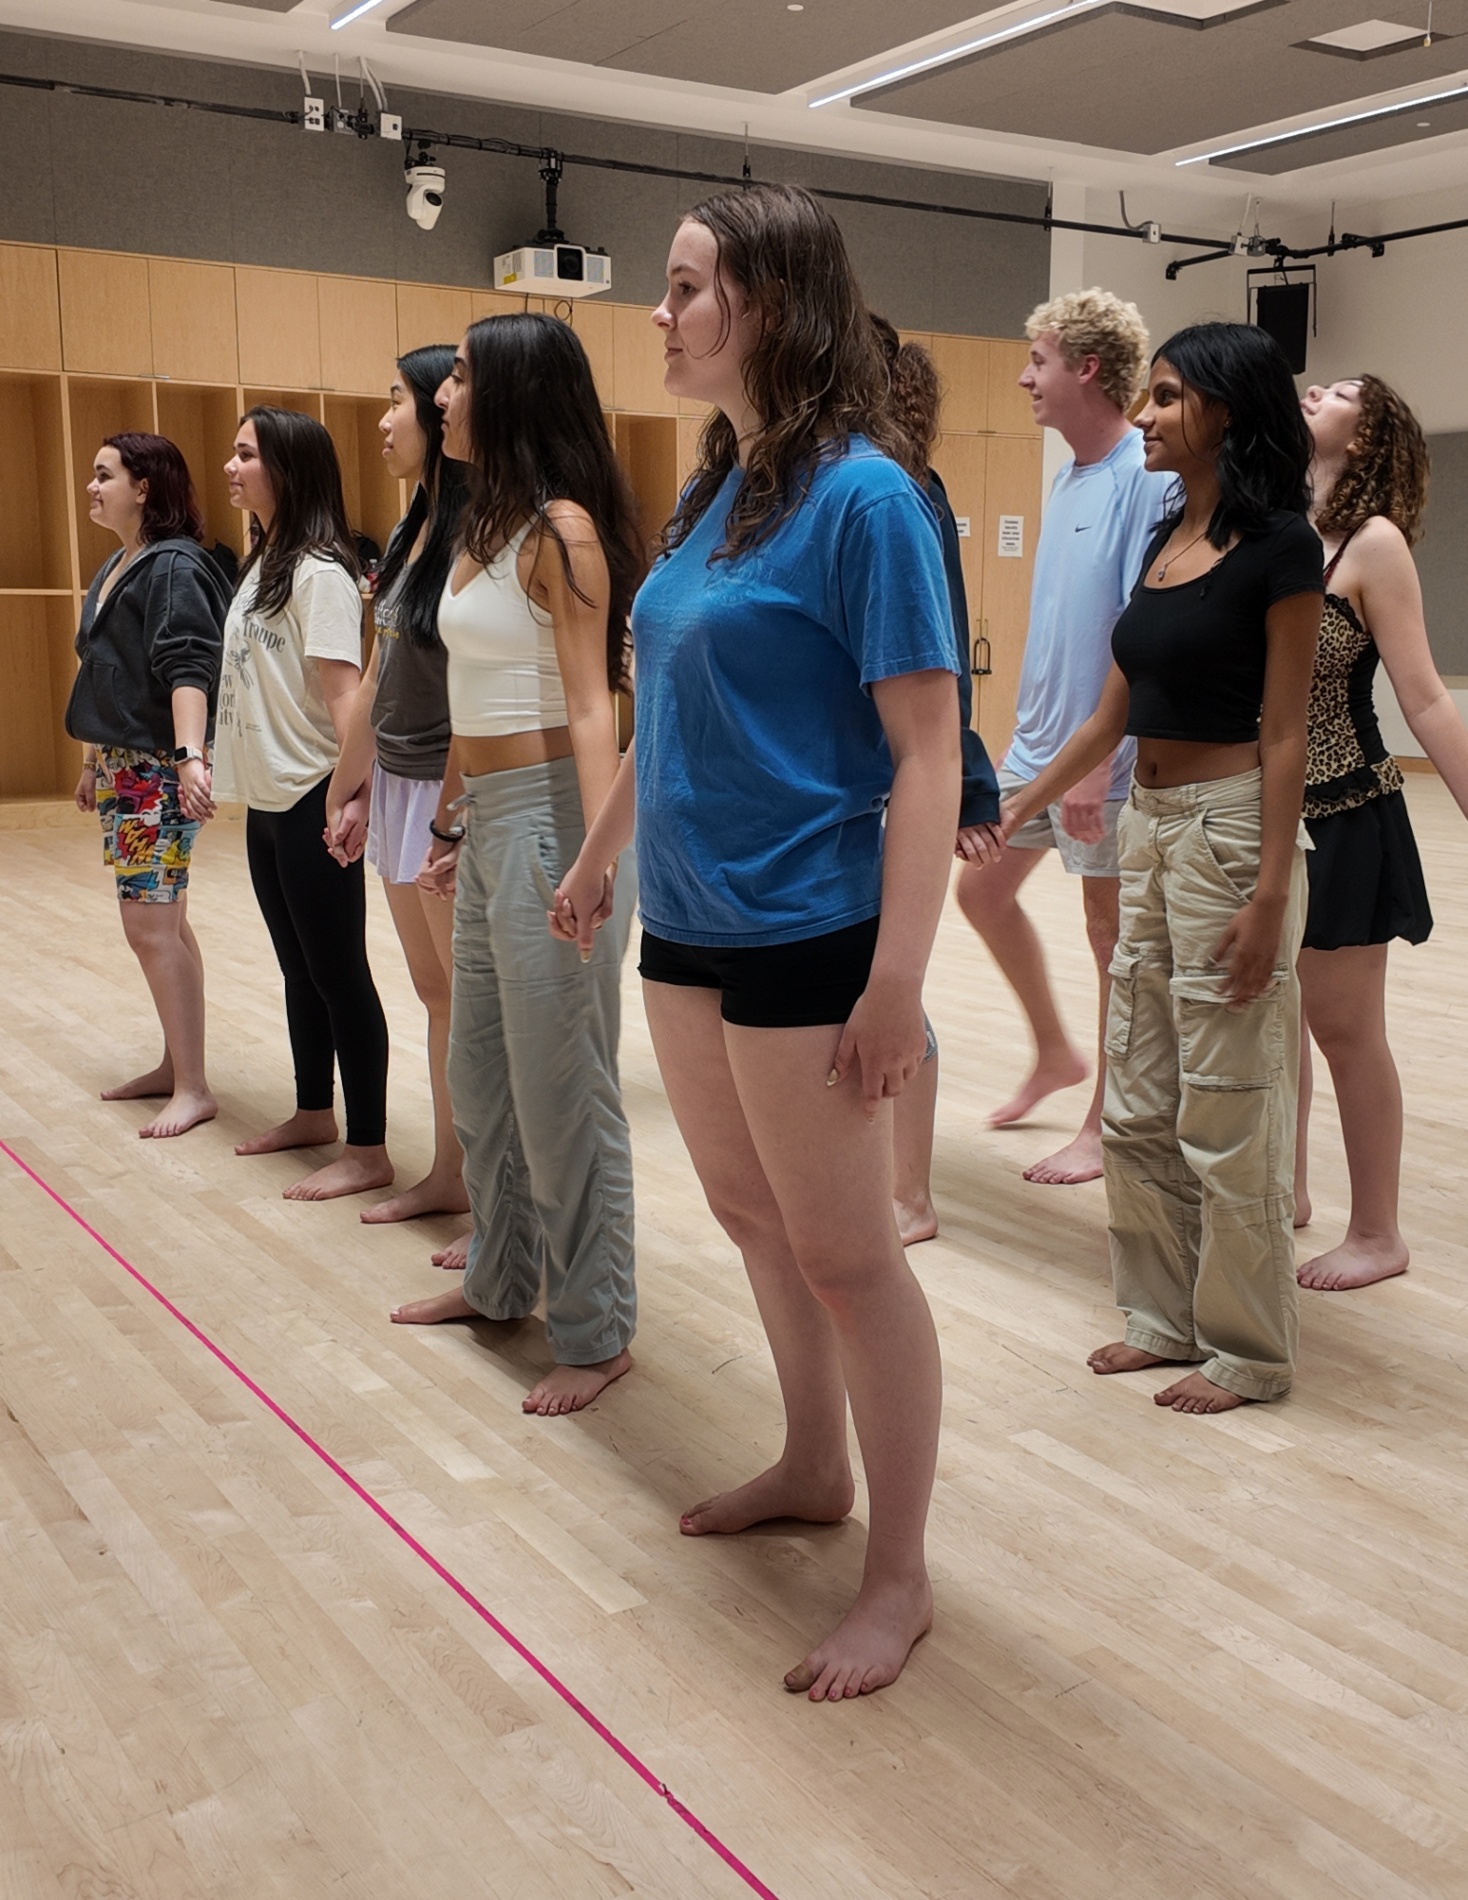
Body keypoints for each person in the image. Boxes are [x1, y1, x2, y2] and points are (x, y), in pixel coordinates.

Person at [554, 184, 959, 1699]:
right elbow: (674, 710)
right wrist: (604, 859)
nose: (658, 315)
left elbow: (926, 749)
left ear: (768, 306)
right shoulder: (725, 488)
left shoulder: (867, 497)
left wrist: (898, 986)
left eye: (682, 288)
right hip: (693, 926)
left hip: (809, 931)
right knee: (748, 1214)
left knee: (852, 1255)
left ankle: (901, 1575)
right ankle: (809, 1461)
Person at [1000, 322, 1322, 1413]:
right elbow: (1109, 715)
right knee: (1137, 1094)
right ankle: (1160, 1316)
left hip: (1232, 832)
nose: (1145, 416)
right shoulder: (1163, 545)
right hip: (1149, 822)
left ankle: (1248, 1349)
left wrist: (1273, 890)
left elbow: (1286, 732)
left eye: (1169, 398)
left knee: (1227, 1104)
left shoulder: (1281, 546)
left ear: (1228, 412)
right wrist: (1017, 808)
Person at [389, 313, 644, 1421]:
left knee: (562, 1089)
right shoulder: (481, 524)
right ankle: (498, 1280)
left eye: (455, 381)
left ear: (510, 391)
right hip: (491, 817)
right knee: (481, 1076)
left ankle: (594, 1328)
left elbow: (593, 704)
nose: (440, 398)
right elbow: (468, 702)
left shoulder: (563, 528)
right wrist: (450, 827)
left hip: (554, 820)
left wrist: (593, 858)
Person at [958, 290, 1170, 1185]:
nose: (1024, 376)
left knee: (1108, 938)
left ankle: (1104, 1124)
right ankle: (1055, 1052)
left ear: (1087, 368)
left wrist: (1105, 767)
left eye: (1038, 360)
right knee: (981, 893)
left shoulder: (1142, 479)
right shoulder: (1071, 475)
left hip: (1102, 763)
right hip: (1036, 751)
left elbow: (1139, 637)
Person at [1293, 376, 1468, 1290]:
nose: (1313, 387)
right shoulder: (1275, 523)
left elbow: (1428, 695)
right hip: (1256, 813)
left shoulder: (1374, 544)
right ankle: (1284, 1188)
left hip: (1344, 813)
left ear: (1367, 439)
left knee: (1344, 1030)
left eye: (1341, 391)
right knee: (1266, 1019)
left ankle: (1378, 1232)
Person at [213, 406, 395, 1201]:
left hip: (309, 798)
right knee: (299, 968)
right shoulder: (264, 560)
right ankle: (314, 1111)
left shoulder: (321, 571)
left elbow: (345, 697)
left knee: (338, 970)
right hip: (266, 800)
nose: (231, 464)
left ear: (285, 469)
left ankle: (369, 1147)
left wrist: (353, 797)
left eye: (245, 454)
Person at [325, 347, 474, 1245]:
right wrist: (349, 790)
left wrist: (450, 817)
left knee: (468, 998)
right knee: (434, 992)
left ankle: (494, 1199)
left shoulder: (473, 535)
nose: (384, 422)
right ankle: (449, 1175)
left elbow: (476, 694)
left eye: (397, 402)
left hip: (448, 794)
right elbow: (377, 680)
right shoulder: (412, 525)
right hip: (396, 783)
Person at [870, 314, 1003, 1244]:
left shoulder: (906, 492)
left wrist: (974, 785)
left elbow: (943, 651)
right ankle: (881, 1182)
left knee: (894, 983)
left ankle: (910, 1195)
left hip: (895, 780)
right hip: (839, 782)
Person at [65, 432, 229, 1138]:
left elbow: (187, 662)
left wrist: (190, 757)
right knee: (166, 922)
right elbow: (112, 671)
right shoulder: (122, 562)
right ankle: (176, 1065)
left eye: (106, 475)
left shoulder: (175, 565)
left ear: (145, 487)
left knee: (150, 928)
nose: (92, 487)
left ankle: (192, 1086)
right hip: (125, 766)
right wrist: (91, 762)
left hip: (157, 768)